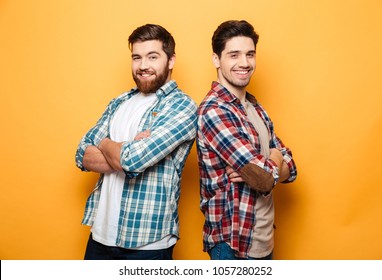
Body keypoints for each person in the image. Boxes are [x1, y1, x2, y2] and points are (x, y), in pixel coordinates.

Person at [75, 24, 197, 260]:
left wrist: (107, 143)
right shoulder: (120, 102)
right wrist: (126, 146)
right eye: (137, 57)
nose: (143, 66)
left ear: (171, 60)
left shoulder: (182, 106)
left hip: (147, 245)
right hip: (99, 237)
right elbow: (82, 154)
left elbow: (133, 160)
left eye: (153, 57)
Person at [196, 20, 297, 260]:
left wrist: (268, 166)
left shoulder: (254, 108)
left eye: (250, 54)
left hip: (263, 241)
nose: (244, 63)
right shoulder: (215, 110)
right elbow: (263, 179)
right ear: (216, 60)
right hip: (233, 246)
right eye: (234, 55)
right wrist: (273, 160)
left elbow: (291, 168)